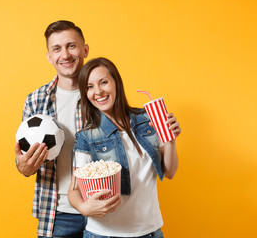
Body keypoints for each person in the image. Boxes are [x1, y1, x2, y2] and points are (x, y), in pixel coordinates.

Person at [68, 57, 181, 238]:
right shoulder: (86, 136)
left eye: (103, 82)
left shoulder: (148, 119)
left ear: (116, 83)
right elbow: (74, 189)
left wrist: (170, 140)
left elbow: (170, 172)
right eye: (89, 87)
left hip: (150, 232)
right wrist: (83, 207)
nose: (98, 91)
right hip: (104, 234)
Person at [15, 20, 89, 238]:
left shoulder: (103, 94)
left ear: (84, 49)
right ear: (49, 56)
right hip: (57, 215)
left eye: (71, 46)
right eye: (57, 48)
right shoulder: (35, 100)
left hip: (102, 210)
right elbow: (22, 161)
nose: (65, 54)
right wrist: (24, 167)